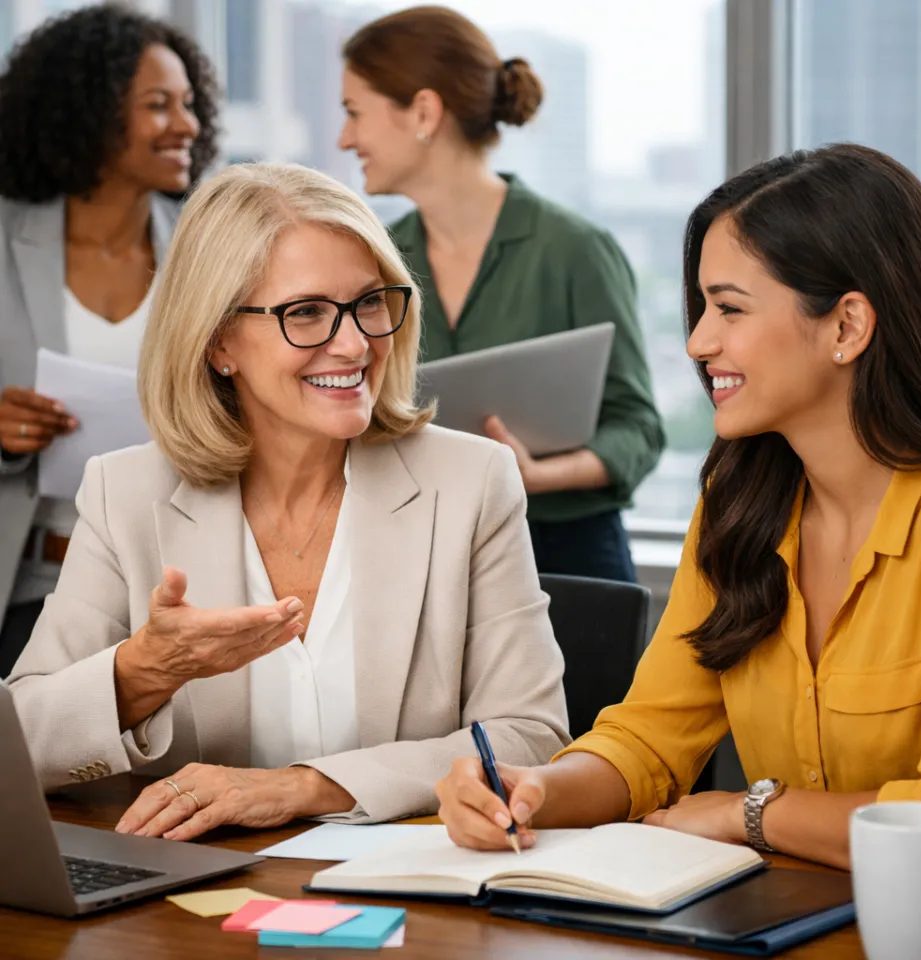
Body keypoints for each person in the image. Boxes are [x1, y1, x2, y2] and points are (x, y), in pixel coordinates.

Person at [435, 144, 921, 871]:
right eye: (703, 306)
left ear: (847, 326)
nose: (698, 342)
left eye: (730, 309)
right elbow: (650, 738)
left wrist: (749, 813)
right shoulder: (740, 505)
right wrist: (532, 790)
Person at [7, 162, 569, 840]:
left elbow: (530, 737)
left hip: (412, 904)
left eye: (369, 302)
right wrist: (141, 674)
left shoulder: (472, 480)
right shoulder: (126, 493)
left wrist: (301, 789)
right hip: (192, 912)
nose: (356, 343)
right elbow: (19, 744)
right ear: (218, 343)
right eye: (305, 312)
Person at [338, 5, 664, 583]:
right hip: (426, 555)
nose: (345, 138)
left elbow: (638, 428)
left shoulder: (575, 249)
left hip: (567, 560)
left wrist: (538, 475)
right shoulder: (379, 261)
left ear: (423, 111)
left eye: (355, 113)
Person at [0, 4, 221, 677]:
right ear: (87, 114)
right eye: (158, 105)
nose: (186, 124)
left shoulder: (205, 244)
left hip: (177, 590)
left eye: (188, 104)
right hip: (26, 589)